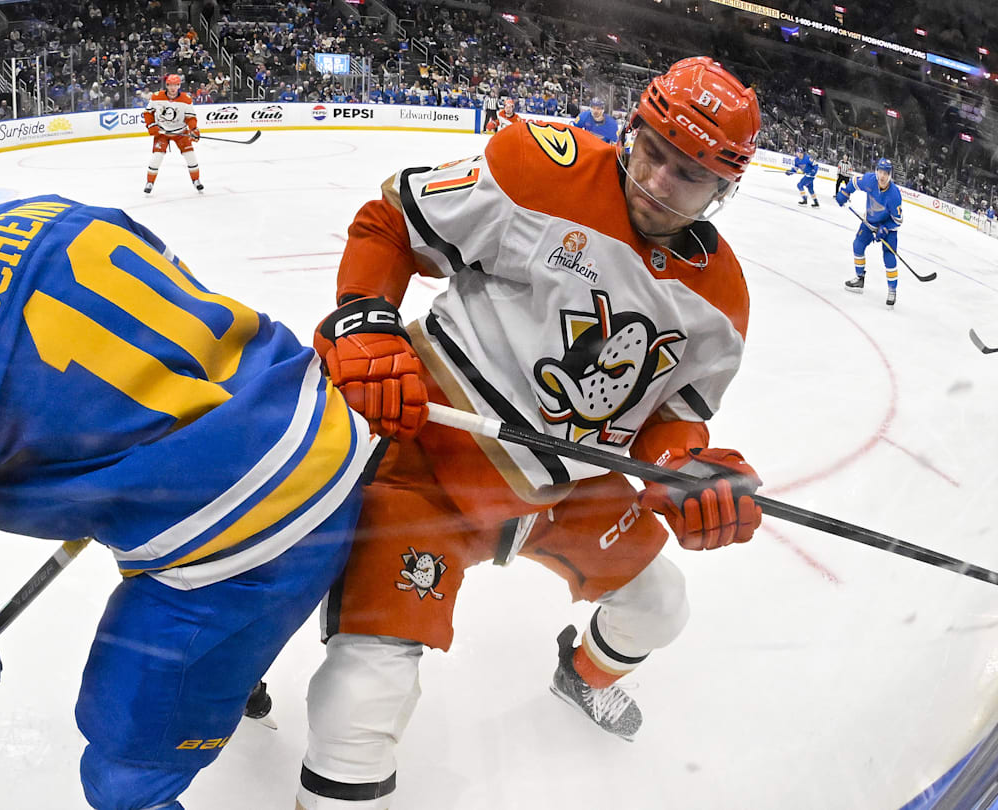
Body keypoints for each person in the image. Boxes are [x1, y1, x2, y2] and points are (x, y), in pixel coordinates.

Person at [0, 136, 376, 810]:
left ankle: (216, 666)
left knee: (122, 781)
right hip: (326, 424)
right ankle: (232, 671)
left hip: (249, 538)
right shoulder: (44, 210)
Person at [295, 56, 764, 810]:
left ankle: (583, 676)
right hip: (430, 466)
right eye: (651, 152)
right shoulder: (539, 170)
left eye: (688, 175)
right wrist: (365, 321)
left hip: (567, 493)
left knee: (660, 606)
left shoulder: (722, 298)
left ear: (724, 189)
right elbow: (391, 221)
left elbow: (671, 416)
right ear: (632, 128)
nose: (656, 182)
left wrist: (688, 470)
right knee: (362, 704)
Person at [837, 157, 903, 307]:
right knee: (858, 245)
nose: (882, 176)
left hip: (888, 228)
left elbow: (898, 220)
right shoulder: (870, 180)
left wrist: (885, 228)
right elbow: (854, 182)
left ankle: (892, 290)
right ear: (876, 171)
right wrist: (845, 192)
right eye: (880, 172)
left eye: (886, 173)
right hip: (870, 222)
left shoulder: (894, 194)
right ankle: (859, 278)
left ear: (890, 175)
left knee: (889, 255)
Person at [143, 73, 203, 194]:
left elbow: (190, 117)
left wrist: (193, 129)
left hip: (181, 132)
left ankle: (196, 180)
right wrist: (151, 125)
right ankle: (149, 182)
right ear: (167, 85)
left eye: (175, 85)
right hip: (162, 132)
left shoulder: (186, 99)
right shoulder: (156, 97)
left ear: (179, 85)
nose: (173, 88)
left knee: (190, 156)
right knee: (156, 157)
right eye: (170, 85)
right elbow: (148, 113)